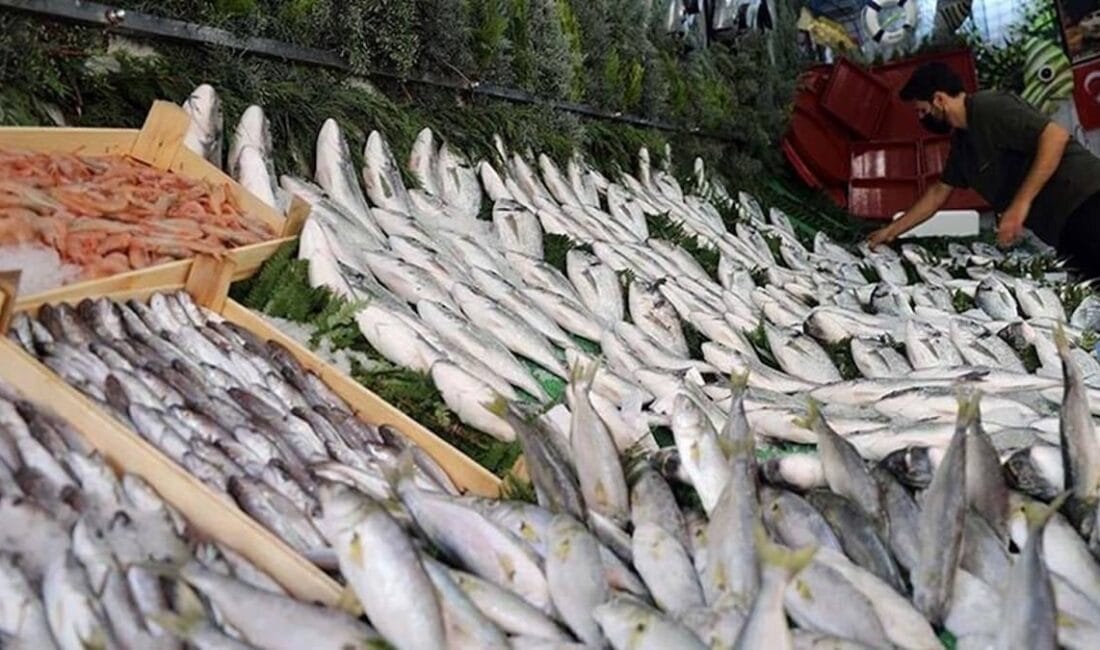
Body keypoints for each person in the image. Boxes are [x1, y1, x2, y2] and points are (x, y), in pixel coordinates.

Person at [866, 61, 1100, 279]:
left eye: (922, 110)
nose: (921, 118)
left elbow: (1055, 136)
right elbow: (938, 193)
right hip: (1062, 229)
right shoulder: (963, 144)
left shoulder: (990, 107)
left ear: (939, 99)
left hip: (1086, 201)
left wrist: (1020, 204)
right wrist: (890, 231)